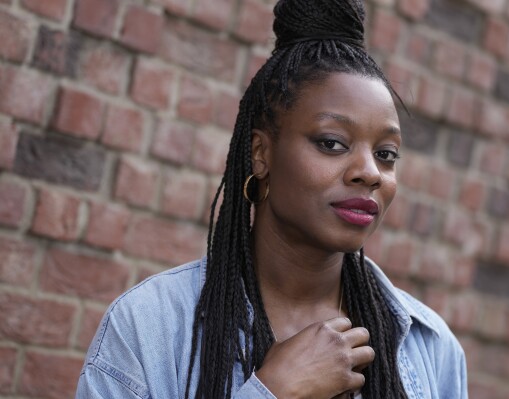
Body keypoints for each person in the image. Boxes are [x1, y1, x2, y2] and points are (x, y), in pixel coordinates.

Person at [76, 0, 467, 398]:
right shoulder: (149, 327)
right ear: (261, 153)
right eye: (332, 143)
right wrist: (273, 390)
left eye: (386, 154)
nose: (369, 172)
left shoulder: (431, 346)